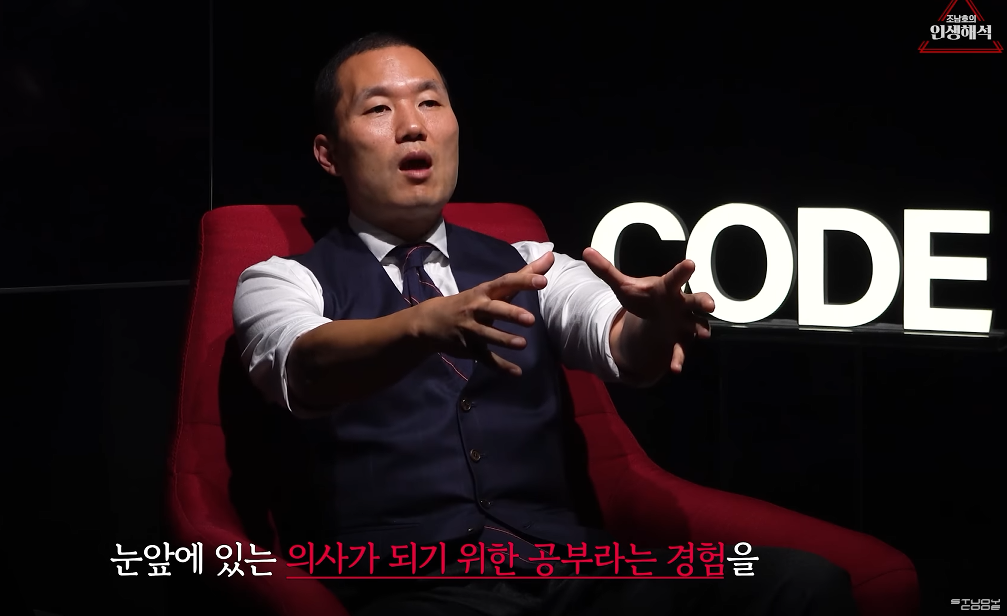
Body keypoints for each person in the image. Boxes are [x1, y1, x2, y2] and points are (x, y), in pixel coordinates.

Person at [233, 32, 857, 616]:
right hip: (414, 582)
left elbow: (620, 344)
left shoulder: (529, 261)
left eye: (430, 102)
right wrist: (423, 324)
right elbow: (303, 364)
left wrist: (654, 324)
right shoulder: (280, 280)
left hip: (571, 569)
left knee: (801, 582)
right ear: (328, 154)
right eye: (378, 109)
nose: (413, 125)